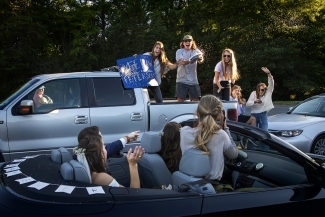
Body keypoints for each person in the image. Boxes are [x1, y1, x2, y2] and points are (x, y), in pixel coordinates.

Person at [180, 95, 238, 183]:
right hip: (211, 187)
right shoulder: (221, 135)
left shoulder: (184, 132)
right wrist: (225, 127)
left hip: (187, 183)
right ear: (219, 116)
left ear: (197, 113)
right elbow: (234, 154)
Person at [74, 135, 145, 188]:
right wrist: (133, 164)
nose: (106, 150)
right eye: (104, 147)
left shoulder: (89, 173)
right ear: (102, 154)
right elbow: (134, 195)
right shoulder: (100, 178)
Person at [175, 35, 204, 102]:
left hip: (193, 81)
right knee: (180, 101)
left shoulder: (196, 51)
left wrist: (199, 57)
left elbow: (201, 58)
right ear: (183, 43)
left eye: (189, 41)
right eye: (185, 41)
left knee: (196, 101)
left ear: (192, 42)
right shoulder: (179, 51)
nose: (187, 42)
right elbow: (182, 62)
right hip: (181, 80)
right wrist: (191, 60)